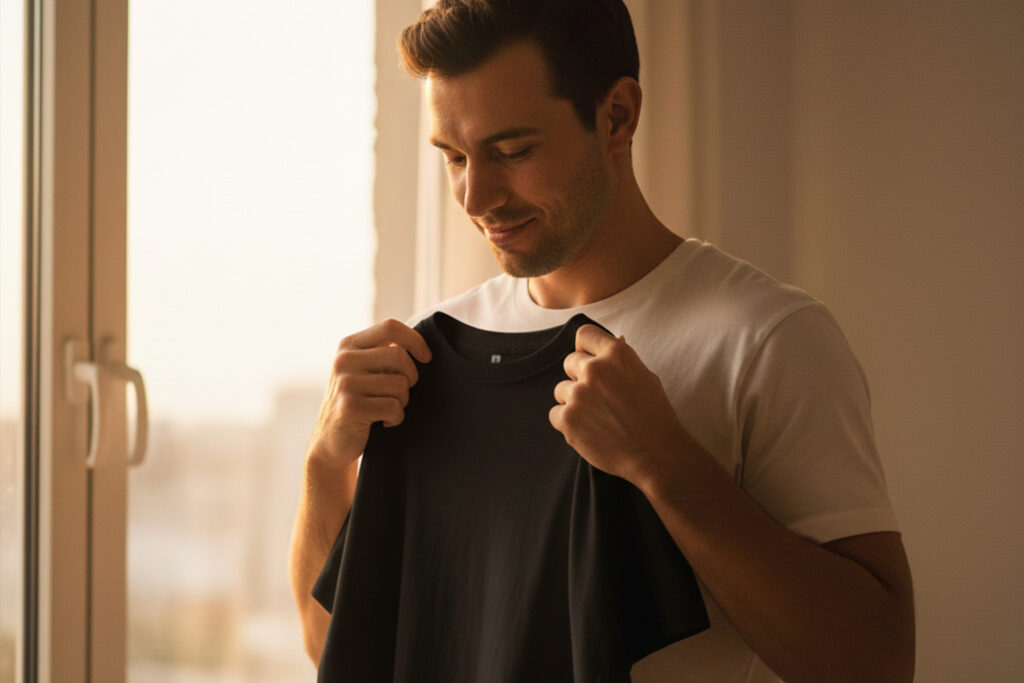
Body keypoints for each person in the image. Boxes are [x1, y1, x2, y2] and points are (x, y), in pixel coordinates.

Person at [289, 0, 916, 680]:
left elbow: (877, 664)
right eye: (453, 157)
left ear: (617, 116)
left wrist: (666, 465)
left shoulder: (766, 340)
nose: (475, 197)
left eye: (512, 151)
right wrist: (327, 461)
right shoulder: (426, 359)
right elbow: (336, 647)